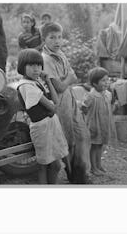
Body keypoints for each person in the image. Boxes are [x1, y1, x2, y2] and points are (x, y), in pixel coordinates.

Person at [41, 22, 91, 184]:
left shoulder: (60, 53)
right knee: (67, 139)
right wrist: (68, 77)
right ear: (44, 39)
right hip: (60, 103)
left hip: (70, 99)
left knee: (82, 134)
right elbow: (60, 86)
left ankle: (81, 170)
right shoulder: (46, 59)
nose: (57, 41)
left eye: (59, 37)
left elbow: (73, 77)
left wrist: (68, 78)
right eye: (52, 37)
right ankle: (74, 176)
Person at [17, 49, 69, 184]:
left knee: (53, 164)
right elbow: (53, 106)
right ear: (22, 66)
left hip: (50, 125)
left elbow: (55, 101)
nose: (36, 69)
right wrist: (53, 106)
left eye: (39, 66)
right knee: (44, 164)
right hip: (42, 128)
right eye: (32, 66)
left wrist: (48, 81)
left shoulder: (35, 82)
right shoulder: (27, 86)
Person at [82, 67, 117, 176]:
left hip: (104, 124)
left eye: (108, 79)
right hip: (94, 125)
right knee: (94, 146)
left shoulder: (108, 94)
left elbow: (109, 107)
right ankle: (93, 167)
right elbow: (84, 108)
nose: (107, 82)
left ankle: (99, 164)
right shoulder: (91, 96)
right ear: (94, 83)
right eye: (103, 80)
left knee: (101, 145)